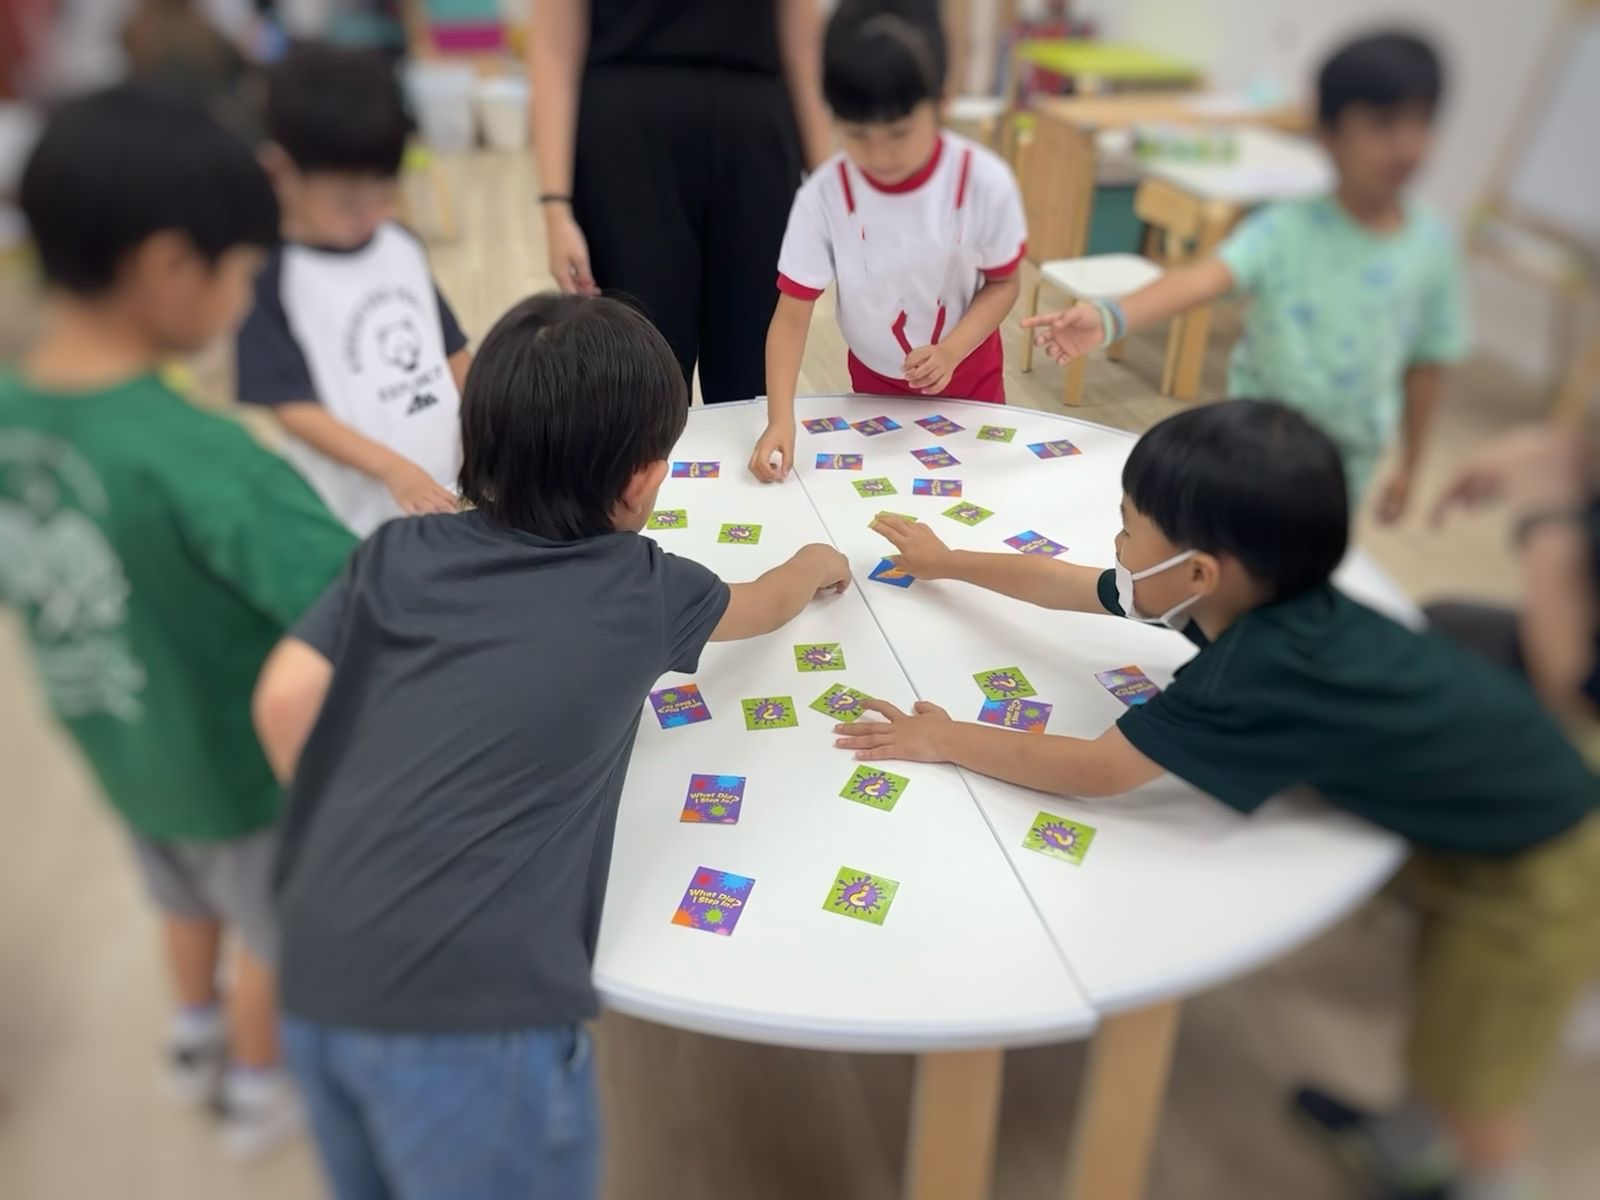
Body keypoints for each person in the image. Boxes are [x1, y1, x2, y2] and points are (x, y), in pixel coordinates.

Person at [842, 400, 1600, 1200]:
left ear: (1201, 570)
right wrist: (947, 561)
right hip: (1500, 818)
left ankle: (1481, 1178)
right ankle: (1407, 1146)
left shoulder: (1251, 668)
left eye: (1128, 526)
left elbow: (1101, 768)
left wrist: (946, 738)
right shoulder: (1249, 595)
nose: (1117, 542)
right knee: (1447, 1027)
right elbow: (1068, 583)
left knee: (1476, 1074)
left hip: (1537, 874)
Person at [251, 293, 851, 1200]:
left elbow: (284, 699)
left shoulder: (397, 550)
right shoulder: (642, 586)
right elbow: (764, 601)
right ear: (642, 481)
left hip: (319, 964)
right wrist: (817, 563)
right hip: (474, 1020)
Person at [0, 85, 356, 1156]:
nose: (250, 295)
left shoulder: (15, 416)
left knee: (178, 895)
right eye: (246, 272)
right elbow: (359, 594)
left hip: (119, 749)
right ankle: (257, 1089)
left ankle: (191, 1034)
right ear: (168, 268)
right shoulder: (205, 459)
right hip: (239, 776)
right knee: (278, 932)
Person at [1024, 31, 1469, 518]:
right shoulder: (1287, 228)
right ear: (1330, 133)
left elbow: (1427, 363)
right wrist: (1110, 317)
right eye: (1383, 124)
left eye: (1422, 121)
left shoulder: (1431, 247)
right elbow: (1202, 279)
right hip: (1254, 446)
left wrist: (1411, 466)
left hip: (1345, 465)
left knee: (1303, 571)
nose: (1407, 145)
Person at [749, 0, 1026, 481]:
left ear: (942, 100)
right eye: (856, 134)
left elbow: (1004, 284)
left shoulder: (983, 182)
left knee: (976, 504)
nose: (880, 155)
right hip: (874, 385)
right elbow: (791, 318)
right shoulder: (823, 195)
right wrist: (779, 419)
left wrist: (951, 351)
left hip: (969, 379)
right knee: (884, 512)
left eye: (899, 133)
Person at [530, 0, 832, 405]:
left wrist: (833, 189)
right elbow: (553, 41)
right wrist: (555, 208)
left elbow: (802, 38)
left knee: (758, 377)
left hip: (754, 133)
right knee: (641, 378)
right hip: (625, 141)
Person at [237, 44, 471, 537]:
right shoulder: (270, 276)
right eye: (348, 202)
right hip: (359, 517)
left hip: (449, 488)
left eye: (386, 194)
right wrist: (392, 469)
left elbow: (450, 349)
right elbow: (294, 409)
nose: (373, 215)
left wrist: (487, 421)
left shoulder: (399, 243)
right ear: (282, 172)